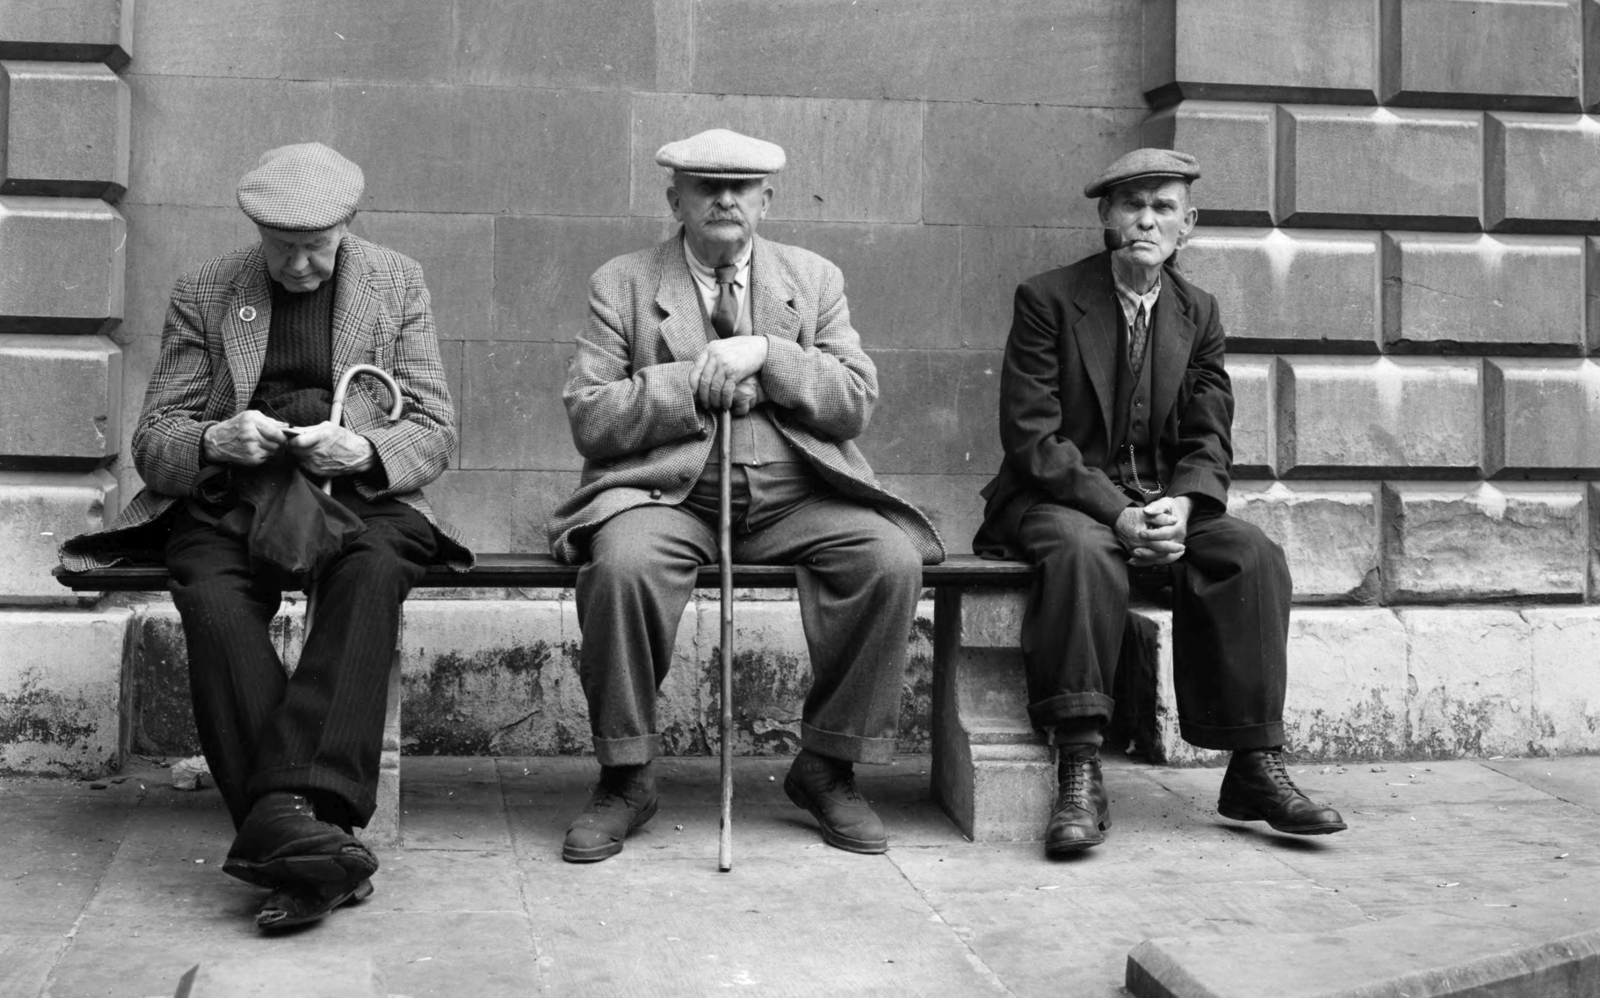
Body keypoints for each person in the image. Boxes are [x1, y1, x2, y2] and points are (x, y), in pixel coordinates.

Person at [62, 143, 469, 932]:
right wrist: (217, 439)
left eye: (318, 246)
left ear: (349, 225)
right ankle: (311, 838)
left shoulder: (395, 280)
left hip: (354, 493)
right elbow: (155, 436)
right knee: (207, 586)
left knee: (373, 568)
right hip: (237, 494)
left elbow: (436, 426)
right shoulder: (208, 290)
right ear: (257, 230)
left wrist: (366, 448)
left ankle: (284, 820)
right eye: (283, 248)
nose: (302, 264)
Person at [550, 127, 943, 862]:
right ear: (677, 199)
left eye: (741, 187)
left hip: (801, 497)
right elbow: (590, 415)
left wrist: (770, 354)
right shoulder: (624, 282)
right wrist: (692, 378)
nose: (725, 198)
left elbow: (855, 400)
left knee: (889, 560)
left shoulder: (814, 278)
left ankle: (827, 763)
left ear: (767, 199)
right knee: (622, 567)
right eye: (707, 186)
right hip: (670, 497)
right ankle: (626, 773)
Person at [975, 148, 1345, 856]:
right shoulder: (1048, 299)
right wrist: (1116, 511)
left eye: (1163, 205)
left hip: (1162, 503)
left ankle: (1253, 764)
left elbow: (1210, 436)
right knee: (1084, 553)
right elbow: (1033, 438)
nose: (1146, 217)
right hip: (1063, 499)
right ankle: (1079, 762)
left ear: (1188, 224)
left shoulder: (1198, 312)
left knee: (1250, 555)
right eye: (1131, 203)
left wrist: (1183, 502)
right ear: (1107, 218)